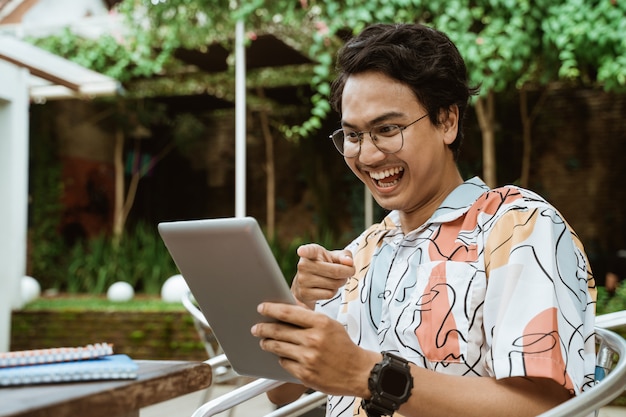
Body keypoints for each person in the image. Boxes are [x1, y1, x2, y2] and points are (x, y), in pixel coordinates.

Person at [251, 23, 597, 417]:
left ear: (447, 121)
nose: (366, 156)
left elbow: (546, 406)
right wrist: (301, 304)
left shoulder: (518, 227)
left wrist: (367, 374)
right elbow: (281, 394)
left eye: (387, 129)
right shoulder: (361, 252)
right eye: (352, 135)